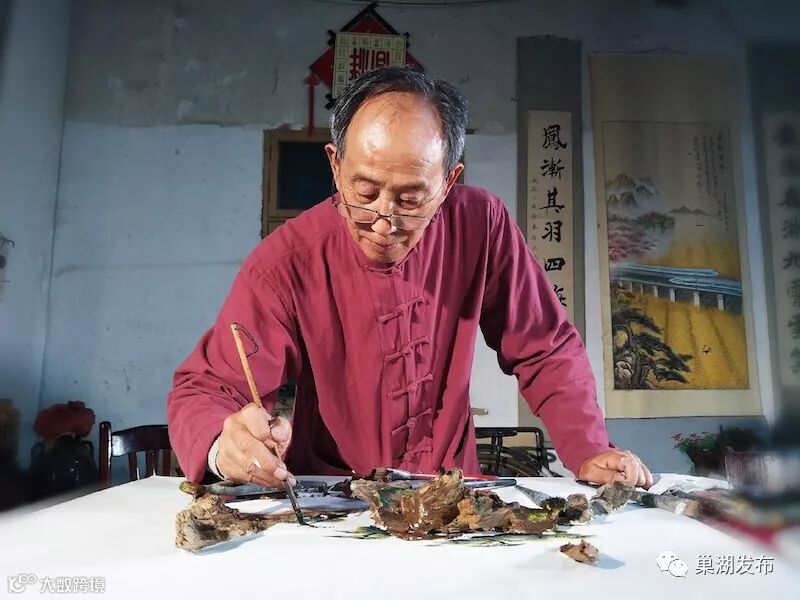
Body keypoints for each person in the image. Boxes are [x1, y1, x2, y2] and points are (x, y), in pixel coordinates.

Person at [167, 67, 653, 489]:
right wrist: (223, 445)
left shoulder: (481, 225)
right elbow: (206, 388)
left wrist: (589, 448)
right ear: (335, 165)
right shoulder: (285, 262)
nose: (384, 220)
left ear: (448, 182)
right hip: (336, 501)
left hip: (452, 496)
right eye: (364, 191)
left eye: (410, 199)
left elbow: (544, 346)